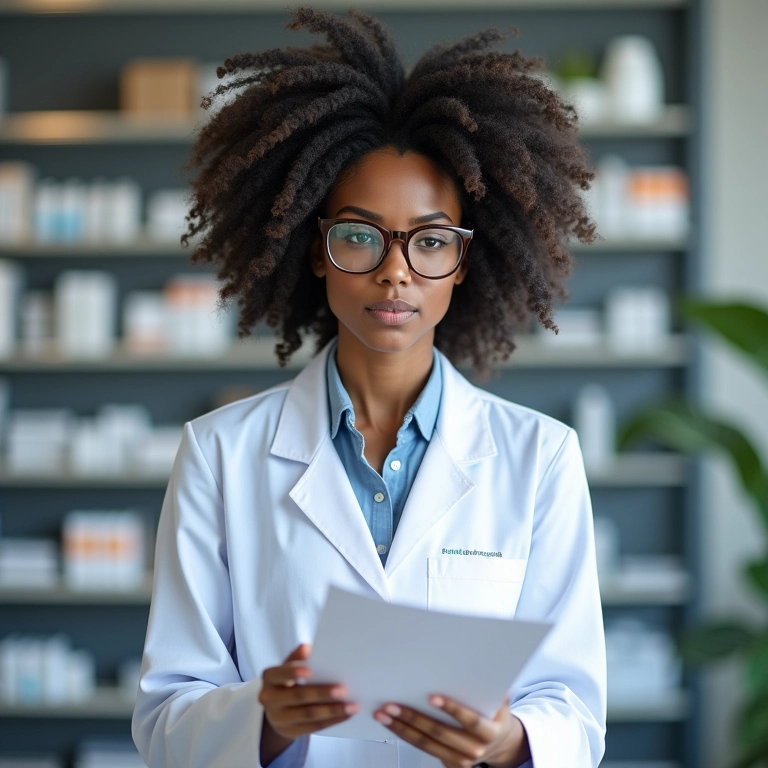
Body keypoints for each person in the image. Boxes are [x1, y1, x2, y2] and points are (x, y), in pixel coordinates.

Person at [131, 6, 606, 768]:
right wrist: (268, 716)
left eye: (429, 241)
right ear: (314, 250)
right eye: (359, 235)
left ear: (462, 262)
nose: (394, 271)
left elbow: (575, 710)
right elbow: (165, 717)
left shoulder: (541, 457)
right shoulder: (219, 454)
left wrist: (510, 741)